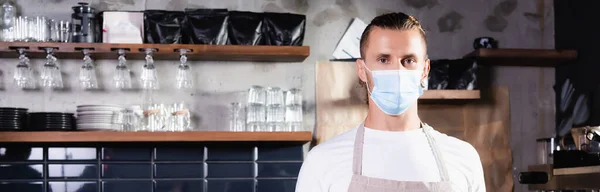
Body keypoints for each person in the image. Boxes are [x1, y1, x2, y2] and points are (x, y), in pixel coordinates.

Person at [295, 12, 486, 192]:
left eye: (409, 60)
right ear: (361, 69)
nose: (398, 72)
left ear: (425, 70)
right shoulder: (322, 162)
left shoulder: (463, 157)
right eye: (383, 59)